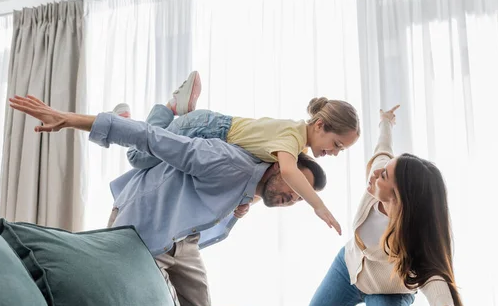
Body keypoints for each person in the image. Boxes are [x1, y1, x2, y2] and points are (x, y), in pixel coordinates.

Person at [8, 94, 327, 306]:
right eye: (295, 186)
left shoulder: (250, 189)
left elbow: (215, 204)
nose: (293, 198)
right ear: (277, 164)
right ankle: (165, 108)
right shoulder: (227, 161)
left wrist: (242, 208)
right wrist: (70, 119)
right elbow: (152, 139)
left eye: (299, 198)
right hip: (141, 228)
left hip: (181, 242)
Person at [308, 105, 489, 306]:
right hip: (348, 267)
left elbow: (430, 275)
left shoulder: (413, 234)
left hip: (389, 290)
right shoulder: (378, 181)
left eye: (384, 175)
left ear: (400, 195)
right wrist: (385, 123)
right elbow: (382, 151)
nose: (375, 174)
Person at [115, 71, 360, 235]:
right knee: (139, 157)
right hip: (205, 128)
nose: (335, 153)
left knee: (149, 153)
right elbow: (286, 171)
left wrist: (246, 204)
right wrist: (318, 206)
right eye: (337, 145)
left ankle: (136, 120)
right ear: (319, 126)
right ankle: (163, 109)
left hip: (209, 129)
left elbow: (261, 176)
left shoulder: (296, 145)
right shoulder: (292, 136)